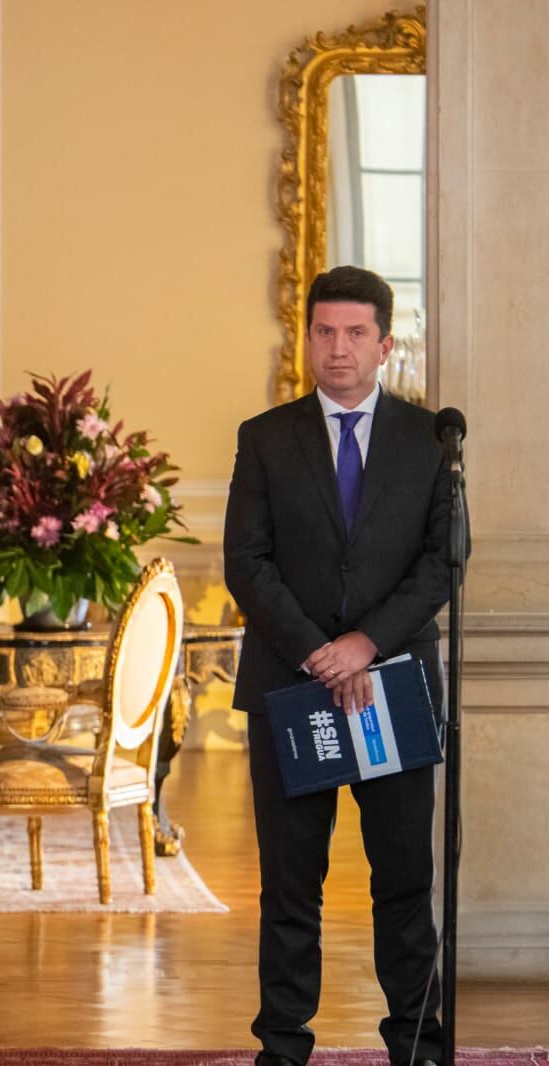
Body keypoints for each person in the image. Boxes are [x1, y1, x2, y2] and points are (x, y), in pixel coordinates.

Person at [224, 266, 456, 1066]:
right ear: (308, 339)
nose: (338, 348)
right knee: (292, 885)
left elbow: (441, 564)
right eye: (325, 331)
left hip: (393, 685)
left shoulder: (431, 442)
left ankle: (417, 1043)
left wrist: (366, 644)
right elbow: (246, 564)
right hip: (292, 687)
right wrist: (322, 655)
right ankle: (283, 1047)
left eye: (356, 333)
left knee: (402, 881)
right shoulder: (265, 436)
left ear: (385, 344)